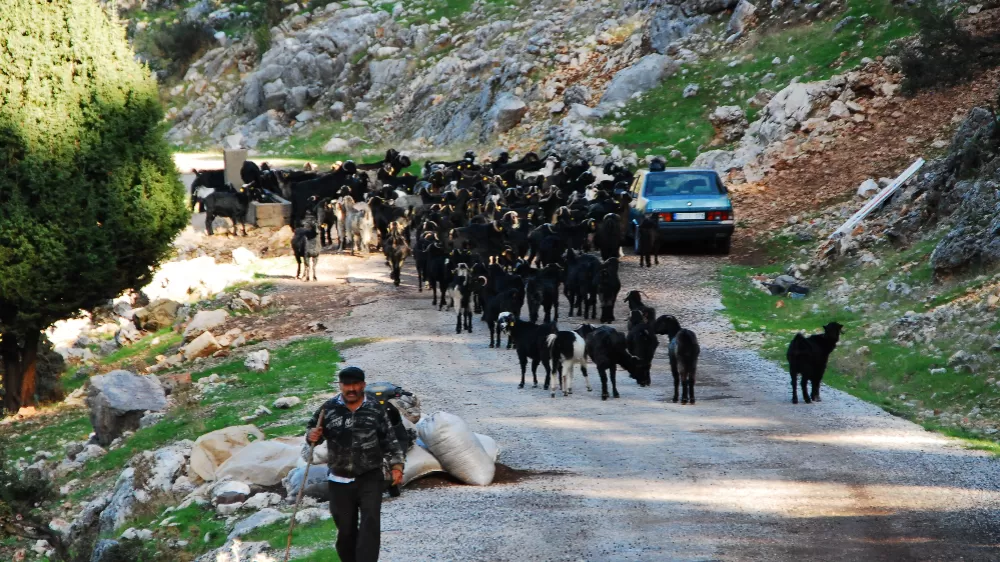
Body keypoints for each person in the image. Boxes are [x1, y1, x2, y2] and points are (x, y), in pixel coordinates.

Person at [306, 366, 405, 562]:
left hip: (370, 477)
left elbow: (390, 439)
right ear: (340, 386)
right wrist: (312, 436)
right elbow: (312, 431)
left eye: (356, 384)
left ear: (363, 385)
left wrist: (397, 466)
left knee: (370, 525)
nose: (351, 389)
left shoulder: (375, 408)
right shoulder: (328, 408)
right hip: (338, 479)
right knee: (345, 531)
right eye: (347, 385)